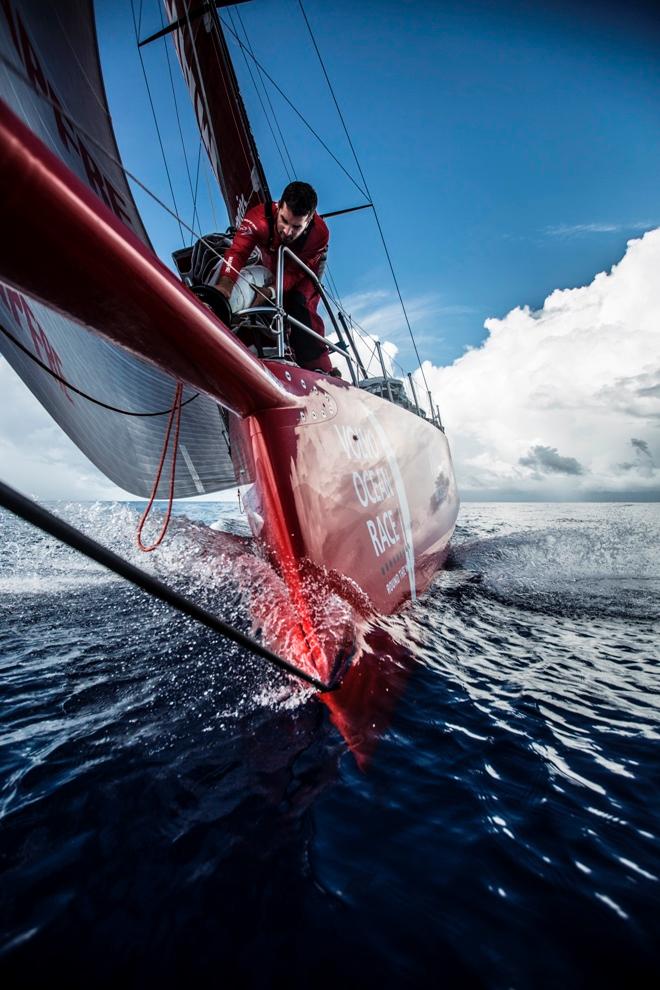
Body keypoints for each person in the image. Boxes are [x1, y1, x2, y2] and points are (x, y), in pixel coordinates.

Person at [215, 181, 333, 373]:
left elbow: (296, 273)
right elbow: (238, 252)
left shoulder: (320, 235)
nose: (287, 231)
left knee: (299, 306)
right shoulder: (258, 217)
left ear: (310, 219)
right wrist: (224, 287)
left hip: (303, 272)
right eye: (284, 221)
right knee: (262, 304)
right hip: (271, 262)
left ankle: (322, 369)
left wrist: (271, 291)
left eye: (296, 227)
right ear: (279, 207)